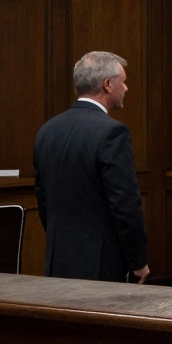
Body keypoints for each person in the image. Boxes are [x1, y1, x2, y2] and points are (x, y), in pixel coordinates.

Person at [33, 52, 149, 284]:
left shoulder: (47, 131)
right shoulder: (112, 133)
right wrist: (137, 261)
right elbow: (125, 204)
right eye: (123, 81)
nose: (126, 88)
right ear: (107, 84)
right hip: (100, 264)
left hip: (58, 261)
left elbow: (43, 200)